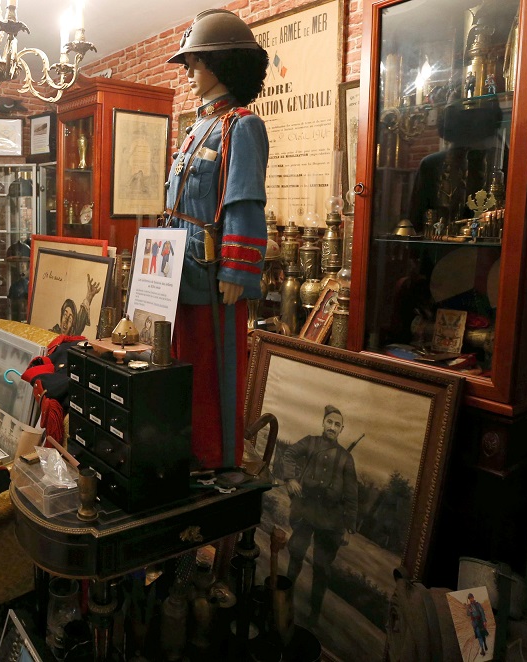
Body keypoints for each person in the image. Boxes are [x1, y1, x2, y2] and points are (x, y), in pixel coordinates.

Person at [164, 9, 270, 468]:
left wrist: (237, 270)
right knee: (180, 369)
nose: (188, 73)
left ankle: (215, 460)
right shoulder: (195, 130)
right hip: (177, 270)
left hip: (211, 277)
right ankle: (183, 451)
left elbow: (244, 201)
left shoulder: (240, 126)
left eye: (196, 63)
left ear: (221, 65)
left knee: (213, 373)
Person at [282, 405, 359, 626]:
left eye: (337, 424)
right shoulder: (310, 442)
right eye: (329, 422)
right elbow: (289, 454)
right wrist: (290, 478)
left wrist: (348, 528)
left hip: (330, 520)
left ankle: (314, 615)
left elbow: (352, 495)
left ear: (341, 429)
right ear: (323, 423)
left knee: (322, 568)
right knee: (296, 553)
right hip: (306, 511)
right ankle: (284, 599)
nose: (332, 427)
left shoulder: (346, 459)